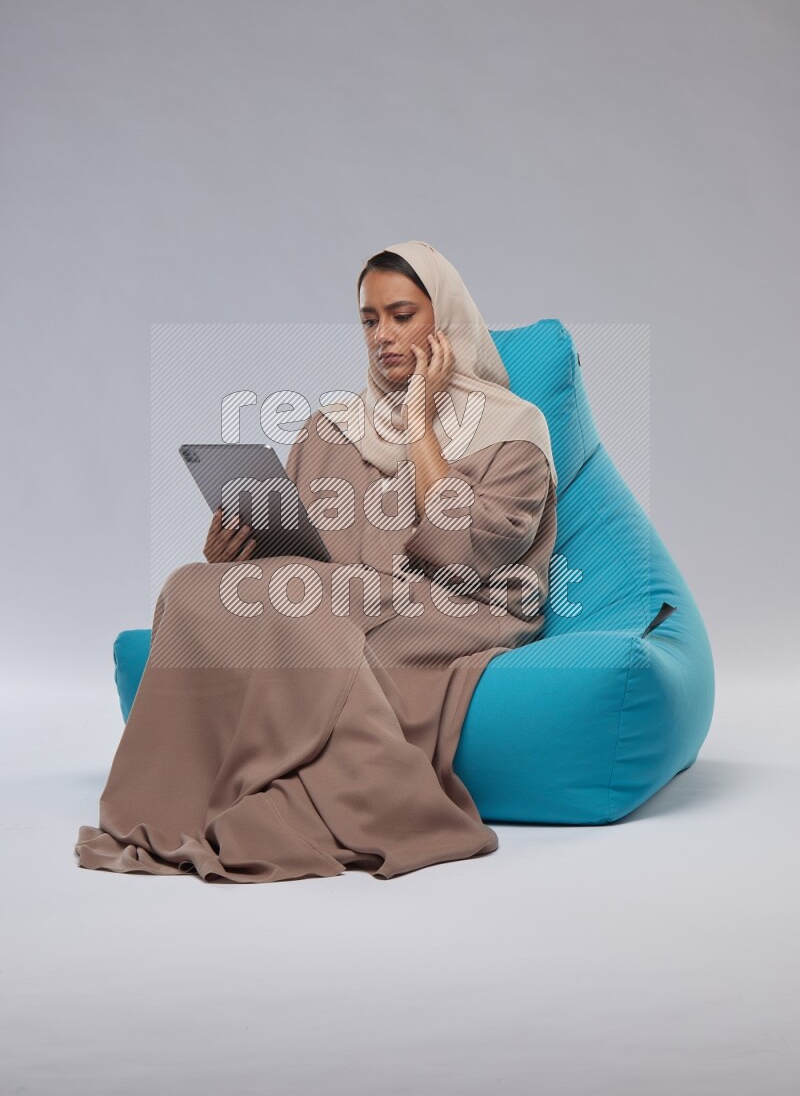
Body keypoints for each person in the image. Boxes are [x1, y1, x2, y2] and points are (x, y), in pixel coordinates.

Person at [74, 239, 559, 882]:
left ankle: (339, 802)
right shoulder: (332, 427)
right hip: (338, 595)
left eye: (402, 315)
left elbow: (468, 550)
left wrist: (420, 422)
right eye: (369, 319)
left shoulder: (514, 428)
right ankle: (173, 795)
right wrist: (232, 557)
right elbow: (297, 555)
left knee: (313, 618)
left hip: (457, 604)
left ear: (444, 322)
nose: (382, 336)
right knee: (193, 586)